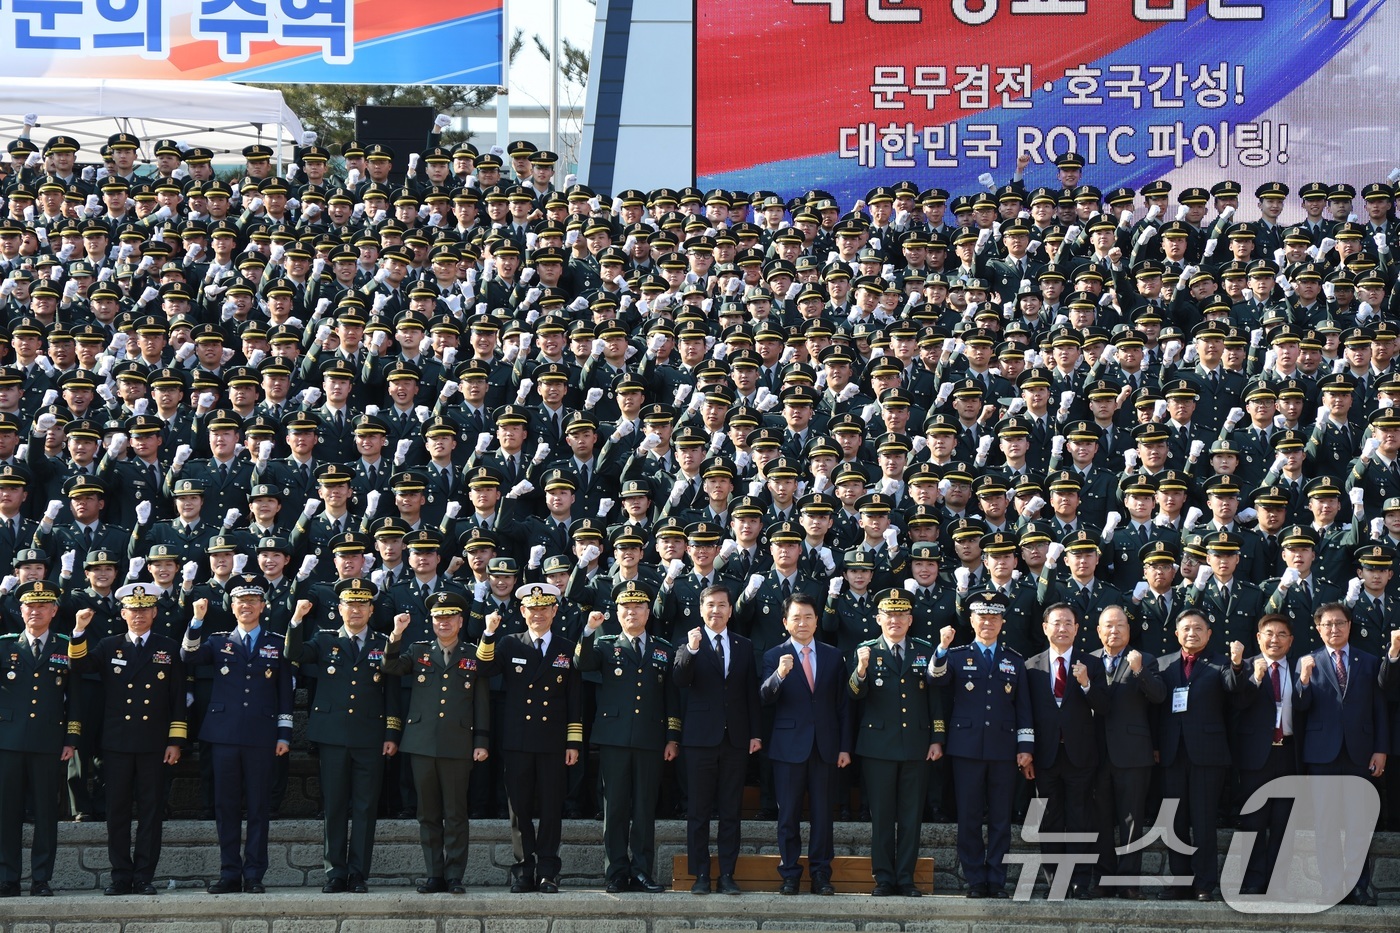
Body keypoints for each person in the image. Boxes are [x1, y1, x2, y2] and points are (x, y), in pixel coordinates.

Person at [68, 583, 186, 896]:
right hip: (117, 743)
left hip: (154, 743)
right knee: (117, 811)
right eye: (133, 610)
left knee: (150, 811)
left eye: (145, 609)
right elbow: (79, 665)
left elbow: (177, 698)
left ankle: (144, 875)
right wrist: (79, 630)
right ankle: (121, 875)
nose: (139, 615)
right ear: (123, 613)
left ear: (155, 612)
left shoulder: (168, 647)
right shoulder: (109, 645)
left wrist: (175, 740)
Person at [285, 578, 401, 894]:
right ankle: (335, 871)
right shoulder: (324, 640)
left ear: (371, 609)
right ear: (340, 609)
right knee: (335, 806)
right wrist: (297, 619)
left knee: (365, 807)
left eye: (362, 604)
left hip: (370, 735)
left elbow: (391, 690)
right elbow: (293, 653)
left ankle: (358, 873)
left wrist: (391, 731)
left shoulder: (383, 643)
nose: (356, 610)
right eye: (350, 604)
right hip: (333, 736)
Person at [180, 576, 293, 894]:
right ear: (232, 607)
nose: (246, 606)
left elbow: (285, 693)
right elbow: (188, 656)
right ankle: (229, 872)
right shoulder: (217, 641)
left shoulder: (276, 642)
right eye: (240, 601)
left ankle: (254, 873)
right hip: (223, 734)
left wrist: (284, 735)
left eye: (253, 601)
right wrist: (197, 620)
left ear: (263, 606)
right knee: (225, 806)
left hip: (261, 734)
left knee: (258, 808)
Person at [381, 591, 499, 895]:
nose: (443, 622)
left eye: (449, 617)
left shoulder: (474, 654)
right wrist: (396, 634)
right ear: (431, 621)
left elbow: (482, 702)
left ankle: (455, 875)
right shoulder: (418, 650)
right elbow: (390, 667)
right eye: (438, 617)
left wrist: (481, 740)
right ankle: (434, 874)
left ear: (460, 621)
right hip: (421, 743)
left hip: (458, 743)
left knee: (457, 813)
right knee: (428, 813)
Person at [575, 579, 681, 894]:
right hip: (614, 738)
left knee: (645, 809)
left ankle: (642, 872)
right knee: (615, 809)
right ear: (616, 612)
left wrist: (672, 736)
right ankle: (616, 872)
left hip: (650, 738)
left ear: (648, 611)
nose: (631, 612)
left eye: (637, 606)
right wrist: (588, 630)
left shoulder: (664, 648)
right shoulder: (605, 644)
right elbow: (582, 663)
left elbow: (671, 697)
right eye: (625, 607)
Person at [929, 591, 1033, 899]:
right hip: (967, 748)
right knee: (970, 817)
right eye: (982, 617)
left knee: (1000, 819)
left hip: (1003, 750)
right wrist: (942, 647)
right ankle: (975, 879)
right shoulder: (958, 655)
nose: (988, 622)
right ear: (971, 620)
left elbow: (1023, 707)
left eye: (994, 617)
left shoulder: (1014, 659)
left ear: (1002, 622)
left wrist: (1025, 747)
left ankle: (996, 879)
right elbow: (935, 679)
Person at [1294, 603, 1396, 906]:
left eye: (1340, 623)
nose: (1334, 629)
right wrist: (1304, 680)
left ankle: (1358, 887)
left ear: (1350, 626)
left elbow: (1379, 709)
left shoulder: (1368, 661)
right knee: (1325, 826)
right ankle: (1331, 888)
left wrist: (1381, 749)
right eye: (1328, 624)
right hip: (1322, 754)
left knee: (1358, 825)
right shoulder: (1307, 661)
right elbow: (1300, 709)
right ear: (1318, 628)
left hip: (1360, 753)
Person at [849, 587, 944, 897]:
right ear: (878, 619)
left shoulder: (923, 649)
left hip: (916, 744)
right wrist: (861, 670)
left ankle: (906, 877)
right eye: (889, 615)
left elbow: (935, 698)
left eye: (901, 615)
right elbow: (854, 695)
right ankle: (884, 877)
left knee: (911, 817)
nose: (895, 621)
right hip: (878, 747)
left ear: (910, 618)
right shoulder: (866, 650)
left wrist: (937, 737)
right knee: (882, 817)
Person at [489, 582, 583, 894]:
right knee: (520, 810)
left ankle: (547, 870)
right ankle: (523, 869)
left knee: (552, 808)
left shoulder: (567, 648)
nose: (538, 614)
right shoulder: (509, 644)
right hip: (518, 740)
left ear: (555, 611)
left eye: (544, 608)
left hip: (553, 742)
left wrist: (573, 742)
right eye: (532, 608)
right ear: (522, 611)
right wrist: (488, 634)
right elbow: (484, 669)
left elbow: (574, 699)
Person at [761, 592, 852, 895]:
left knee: (823, 816)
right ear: (785, 622)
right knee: (788, 815)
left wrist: (843, 746)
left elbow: (843, 706)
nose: (803, 622)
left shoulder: (833, 655)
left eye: (808, 616)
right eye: (796, 617)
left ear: (817, 621)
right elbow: (764, 697)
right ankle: (789, 873)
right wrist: (780, 675)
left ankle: (821, 873)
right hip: (788, 747)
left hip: (825, 746)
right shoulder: (774, 655)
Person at [672, 583, 761, 895]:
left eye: (722, 605)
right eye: (710, 605)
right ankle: (700, 875)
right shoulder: (689, 644)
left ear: (730, 609)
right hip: (699, 740)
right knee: (698, 812)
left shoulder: (743, 645)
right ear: (701, 609)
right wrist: (693, 650)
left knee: (730, 811)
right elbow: (680, 680)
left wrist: (755, 733)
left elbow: (751, 691)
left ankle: (727, 875)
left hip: (735, 739)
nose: (716, 610)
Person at [1155, 609, 1248, 901]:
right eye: (1186, 628)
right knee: (1175, 821)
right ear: (1176, 634)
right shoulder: (1164, 664)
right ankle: (1180, 881)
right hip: (1172, 753)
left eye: (1198, 628)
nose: (1192, 633)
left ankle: (1204, 884)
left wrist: (1236, 665)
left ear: (1209, 633)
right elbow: (1156, 709)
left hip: (1208, 755)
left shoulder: (1221, 663)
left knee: (1204, 820)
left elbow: (1235, 690)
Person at [1024, 602, 1108, 899]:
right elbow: (1025, 713)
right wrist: (1026, 751)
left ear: (1077, 628)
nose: (1061, 628)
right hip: (1045, 756)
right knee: (1048, 820)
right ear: (1045, 628)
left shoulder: (1093, 664)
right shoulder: (1031, 666)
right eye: (1055, 623)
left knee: (1080, 818)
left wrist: (1086, 684)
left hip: (1081, 755)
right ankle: (1054, 882)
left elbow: (1105, 706)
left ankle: (1080, 881)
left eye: (1067, 623)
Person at [0, 580, 77, 897]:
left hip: (49, 742)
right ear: (20, 611)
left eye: (43, 606)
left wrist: (71, 738)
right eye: (30, 606)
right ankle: (8, 877)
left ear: (54, 610)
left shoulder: (66, 645)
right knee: (7, 813)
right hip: (7, 742)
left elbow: (76, 696)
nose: (36, 611)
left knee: (46, 814)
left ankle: (41, 878)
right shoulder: (5, 646)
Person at [1089, 604, 1165, 899]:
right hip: (1096, 754)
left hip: (1133, 753)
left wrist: (1140, 671)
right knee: (1101, 818)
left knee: (1132, 820)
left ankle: (1129, 881)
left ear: (1129, 630)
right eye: (1108, 625)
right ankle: (1104, 878)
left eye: (1120, 625)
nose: (1114, 630)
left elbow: (1158, 696)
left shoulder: (1145, 659)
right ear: (1098, 631)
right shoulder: (1089, 662)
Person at [1233, 613, 1300, 897]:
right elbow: (1235, 705)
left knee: (1284, 822)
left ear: (1291, 640)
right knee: (1253, 821)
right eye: (1269, 634)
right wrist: (1255, 680)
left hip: (1289, 753)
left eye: (1282, 634)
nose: (1275, 639)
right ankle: (1253, 880)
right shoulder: (1244, 668)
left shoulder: (1300, 668)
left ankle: (1278, 883)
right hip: (1254, 756)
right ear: (1258, 638)